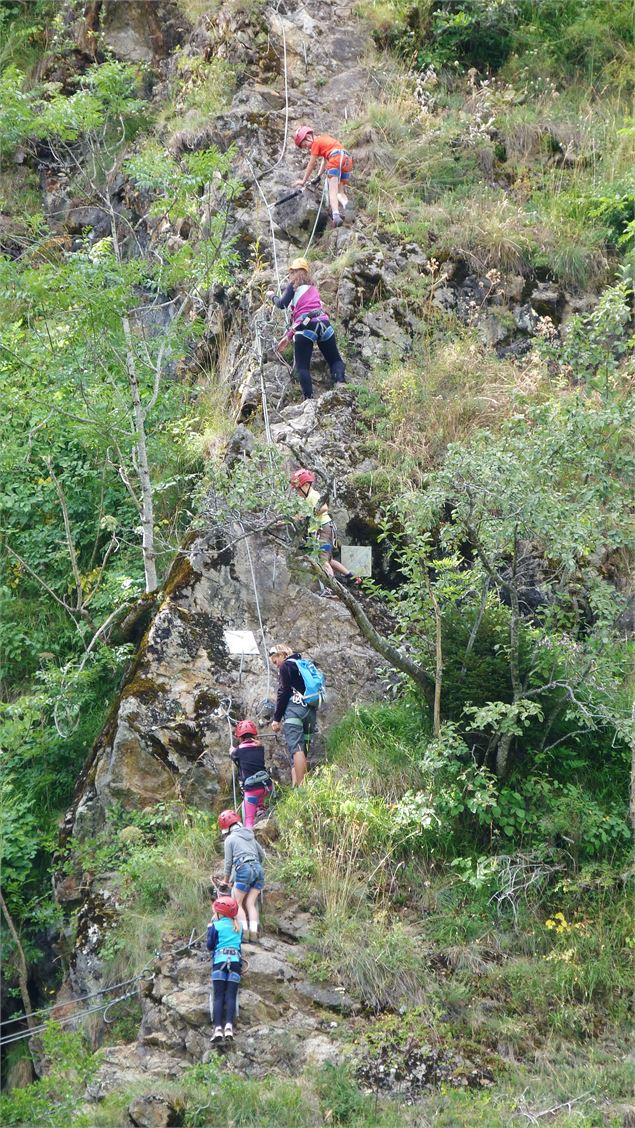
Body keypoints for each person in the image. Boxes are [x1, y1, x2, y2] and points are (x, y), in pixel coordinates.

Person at [266, 258, 345, 400]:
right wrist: (288, 336)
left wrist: (272, 296)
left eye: (291, 272)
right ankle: (340, 383)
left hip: (306, 326)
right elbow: (312, 310)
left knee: (302, 367)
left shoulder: (293, 285)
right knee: (335, 359)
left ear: (294, 272)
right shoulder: (313, 287)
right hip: (323, 322)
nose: (290, 275)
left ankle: (309, 399)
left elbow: (282, 304)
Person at [290, 468, 361, 588]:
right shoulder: (308, 498)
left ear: (306, 485)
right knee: (328, 560)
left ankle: (332, 589)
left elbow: (324, 508)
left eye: (298, 489)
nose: (298, 492)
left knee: (323, 562)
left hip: (323, 529)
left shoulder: (313, 495)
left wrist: (309, 514)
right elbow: (301, 515)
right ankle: (351, 577)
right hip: (325, 528)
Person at [268, 644, 322, 786]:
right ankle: (295, 787)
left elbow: (284, 692)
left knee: (297, 749)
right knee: (302, 751)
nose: (276, 665)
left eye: (275, 661)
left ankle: (301, 789)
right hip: (310, 711)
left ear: (282, 655)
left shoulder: (285, 666)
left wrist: (276, 719)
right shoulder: (302, 665)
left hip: (295, 710)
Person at [218, 810, 265, 942]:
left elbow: (228, 864)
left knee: (237, 903)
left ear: (226, 828)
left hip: (244, 870)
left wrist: (226, 881)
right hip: (258, 870)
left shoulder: (230, 839)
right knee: (250, 903)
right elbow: (261, 855)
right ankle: (254, 934)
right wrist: (255, 866)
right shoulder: (250, 836)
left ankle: (244, 933)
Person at [293, 125, 352, 227]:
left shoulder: (315, 143)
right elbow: (325, 160)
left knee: (332, 190)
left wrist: (303, 181)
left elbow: (311, 164)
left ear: (308, 137)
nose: (307, 147)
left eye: (305, 144)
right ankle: (347, 206)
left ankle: (336, 216)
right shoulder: (324, 139)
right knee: (340, 192)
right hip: (347, 160)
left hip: (335, 158)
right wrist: (318, 176)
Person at [207, 893, 242, 1044]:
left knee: (219, 996)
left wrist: (210, 929)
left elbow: (210, 946)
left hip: (220, 961)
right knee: (231, 996)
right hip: (235, 963)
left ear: (219, 913)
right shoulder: (239, 927)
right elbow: (239, 945)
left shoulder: (215, 926)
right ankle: (229, 1027)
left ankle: (217, 1029)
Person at [231, 719, 273, 828]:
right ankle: (260, 809)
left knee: (248, 820)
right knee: (259, 796)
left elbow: (233, 756)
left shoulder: (238, 750)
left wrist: (231, 750)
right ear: (254, 735)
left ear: (240, 737)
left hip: (252, 790)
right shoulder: (260, 747)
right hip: (266, 786)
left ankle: (249, 831)